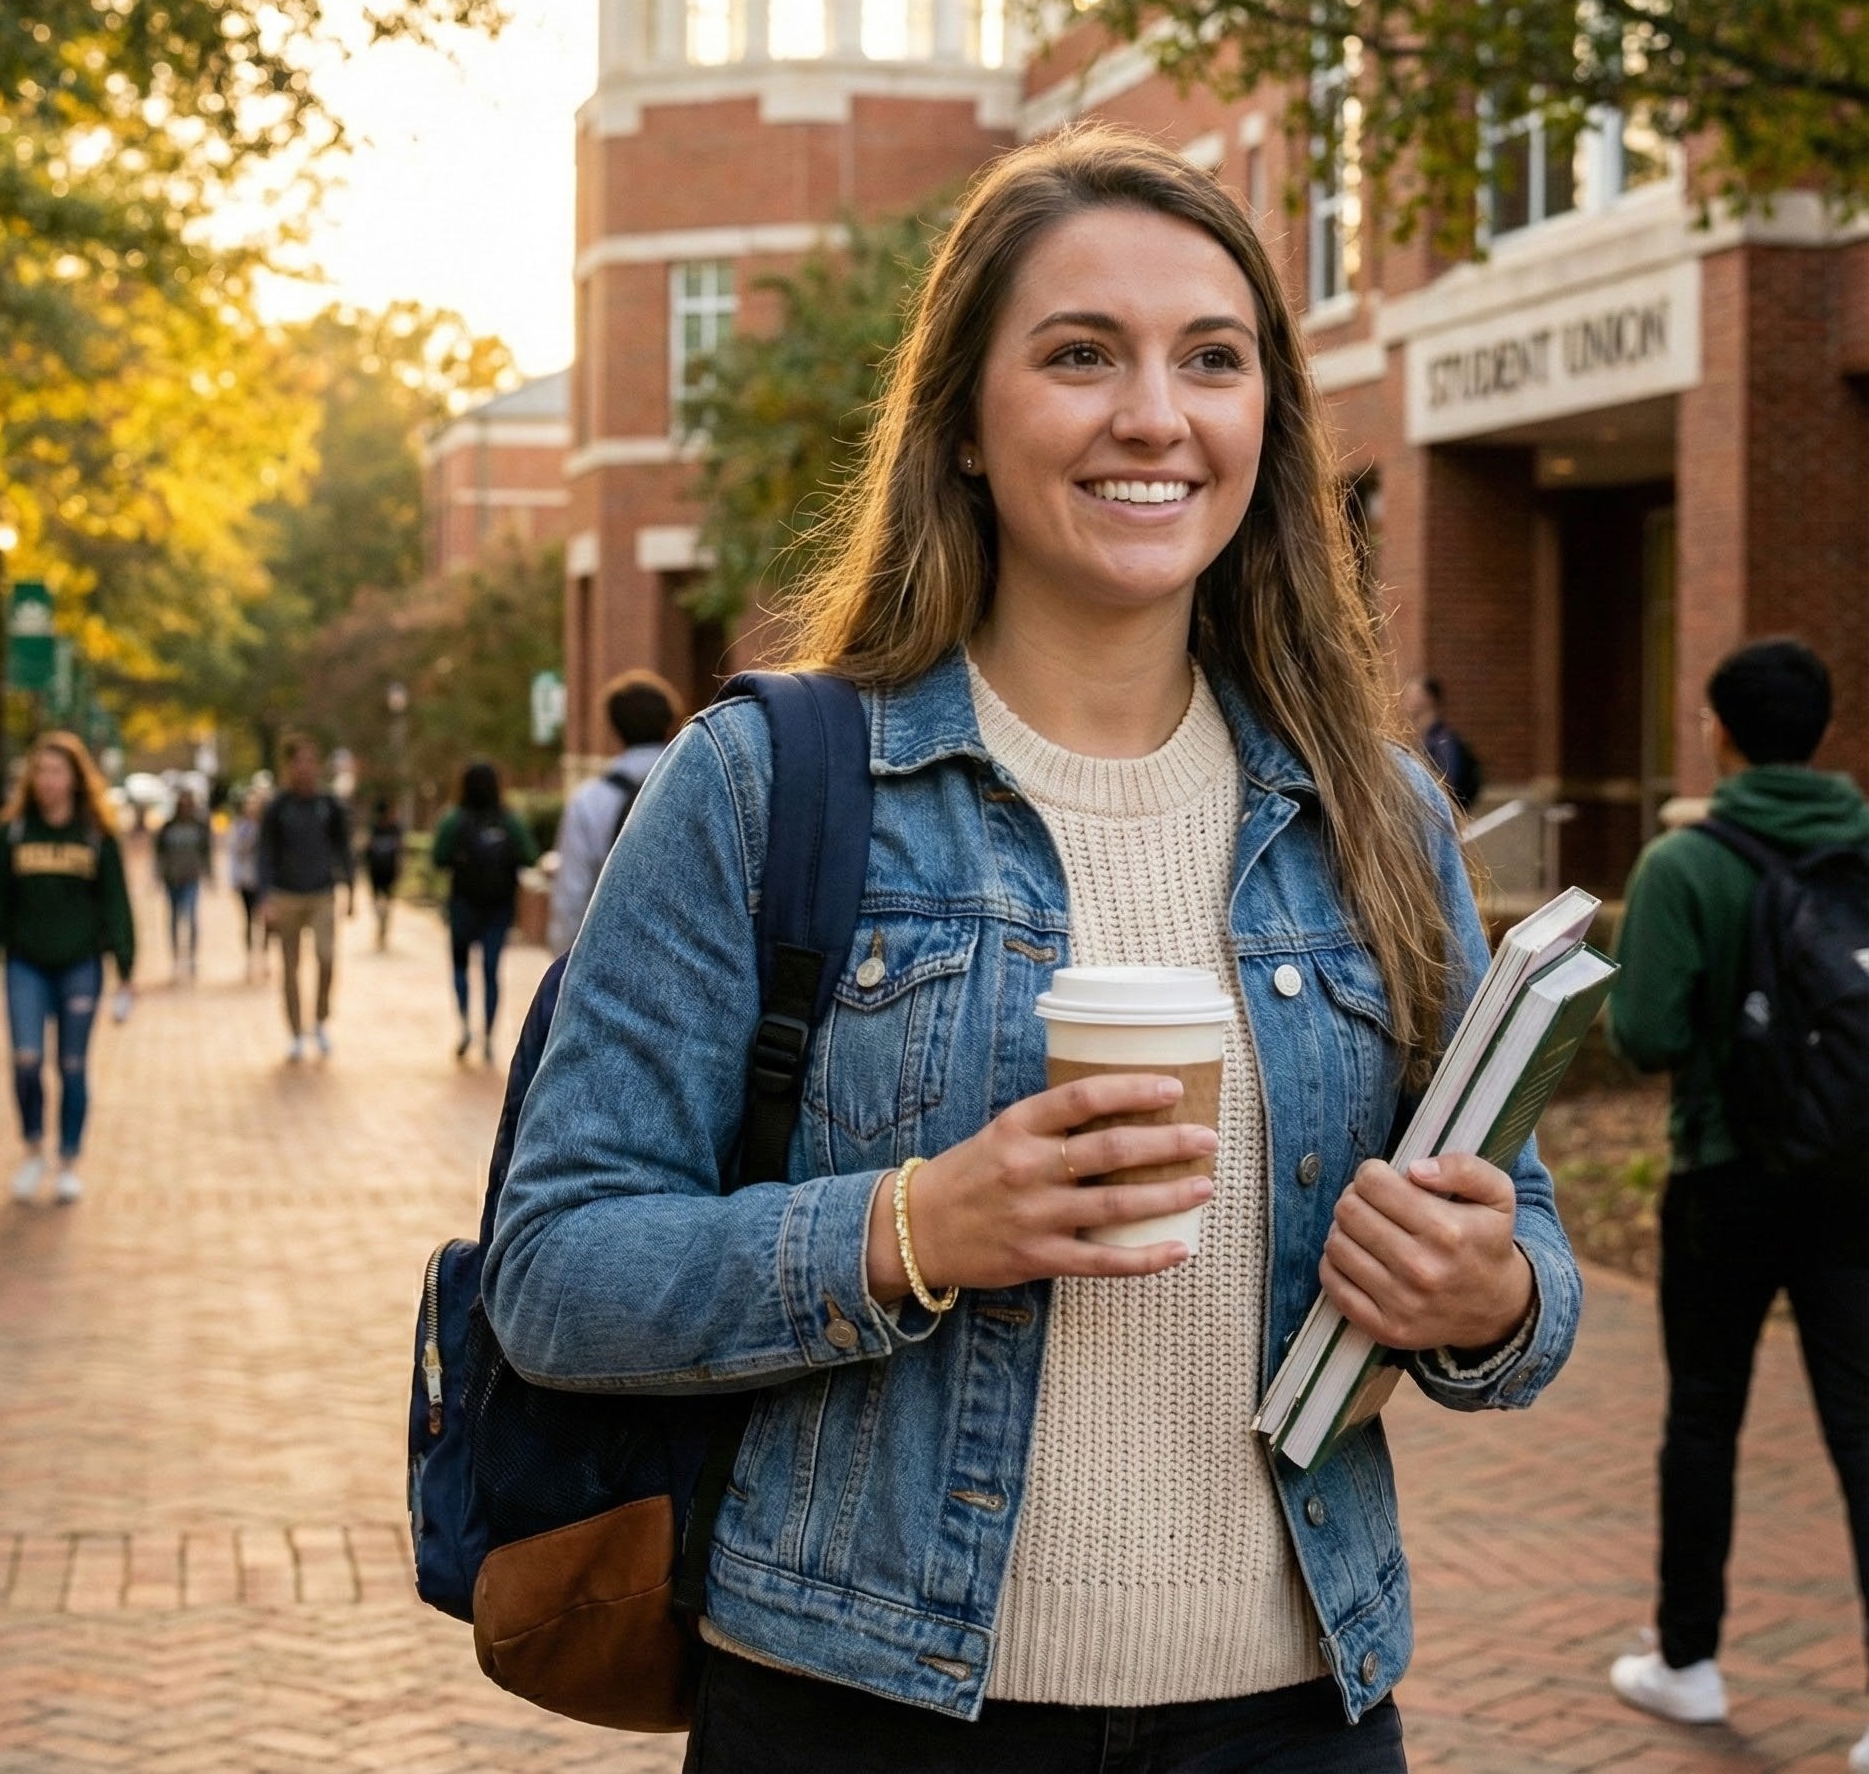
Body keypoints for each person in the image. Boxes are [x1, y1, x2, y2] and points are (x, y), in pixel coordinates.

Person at [490, 126, 1582, 1771]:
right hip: (862, 1706)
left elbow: (1529, 1274)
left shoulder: (1376, 816)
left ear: (1262, 421)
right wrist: (916, 1223)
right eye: (1080, 354)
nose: (1153, 413)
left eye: (1209, 359)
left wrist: (1484, 1288)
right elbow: (555, 1272)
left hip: (1291, 1714)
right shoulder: (768, 783)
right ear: (963, 422)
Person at [1606, 638, 1869, 1768]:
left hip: (1723, 1173)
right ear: (1822, 729)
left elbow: (1646, 1033)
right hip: (1856, 1176)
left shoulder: (1684, 862)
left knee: (1703, 1414)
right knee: (1861, 1428)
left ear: (1716, 725)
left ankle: (1687, 1661)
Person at [0, 731, 136, 1205]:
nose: (48, 781)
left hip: (80, 965)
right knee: (26, 1060)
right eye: (40, 771)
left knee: (72, 1064)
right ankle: (32, 1148)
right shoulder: (14, 834)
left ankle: (68, 1159)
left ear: (76, 779)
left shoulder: (95, 836)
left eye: (57, 772)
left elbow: (116, 904)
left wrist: (126, 966)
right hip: (25, 964)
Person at [545, 670, 681, 954]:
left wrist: (564, 966)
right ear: (670, 721)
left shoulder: (590, 801)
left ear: (614, 728)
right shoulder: (698, 788)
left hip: (612, 959)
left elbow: (572, 896)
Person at [431, 763, 535, 1064]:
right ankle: (489, 1036)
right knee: (491, 970)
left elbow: (438, 857)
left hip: (463, 903)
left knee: (461, 968)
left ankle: (465, 1027)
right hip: (498, 906)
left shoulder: (454, 819)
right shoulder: (509, 820)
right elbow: (530, 854)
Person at [257, 733, 352, 1062]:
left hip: (322, 892)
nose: (305, 768)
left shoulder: (328, 806)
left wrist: (350, 888)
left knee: (327, 957)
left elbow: (344, 847)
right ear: (290, 766)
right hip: (286, 895)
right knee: (290, 967)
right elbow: (265, 853)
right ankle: (296, 1032)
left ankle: (321, 1020)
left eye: (311, 761)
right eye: (299, 762)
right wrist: (264, 897)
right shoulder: (278, 808)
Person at [1400, 676, 1481, 812]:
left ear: (1428, 699)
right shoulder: (1422, 738)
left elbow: (1450, 784)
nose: (1406, 700)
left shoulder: (1443, 741)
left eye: (1413, 694)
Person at [154, 790, 212, 979]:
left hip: (191, 879)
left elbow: (206, 852)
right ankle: (176, 959)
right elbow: (159, 853)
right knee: (174, 920)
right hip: (171, 879)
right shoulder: (168, 827)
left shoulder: (198, 827)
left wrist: (210, 874)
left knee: (191, 918)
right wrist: (158, 875)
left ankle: (192, 958)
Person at [227, 782, 267, 980]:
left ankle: (265, 958)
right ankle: (250, 959)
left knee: (266, 922)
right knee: (250, 921)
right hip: (246, 880)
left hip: (263, 882)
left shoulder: (267, 829)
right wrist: (234, 879)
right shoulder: (239, 828)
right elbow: (235, 854)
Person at [364, 795, 404, 951]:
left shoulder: (394, 828)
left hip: (388, 871)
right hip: (376, 870)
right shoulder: (374, 828)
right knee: (377, 902)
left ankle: (383, 926)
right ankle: (381, 924)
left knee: (386, 902)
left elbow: (400, 849)